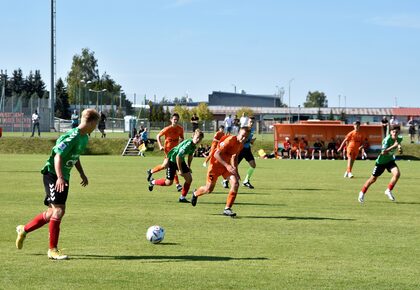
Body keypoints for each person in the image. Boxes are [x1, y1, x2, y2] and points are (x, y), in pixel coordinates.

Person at [15, 109, 100, 260]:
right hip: (53, 174)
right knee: (59, 210)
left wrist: (81, 173)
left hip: (62, 176)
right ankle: (52, 250)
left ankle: (24, 229)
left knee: (51, 213)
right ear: (92, 122)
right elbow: (58, 156)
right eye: (96, 124)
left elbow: (74, 156)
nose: (96, 127)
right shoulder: (71, 136)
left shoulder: (84, 137)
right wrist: (60, 177)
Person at [190, 126, 250, 217]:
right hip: (215, 166)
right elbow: (216, 154)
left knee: (235, 183)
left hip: (226, 167)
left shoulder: (240, 144)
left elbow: (235, 157)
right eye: (242, 135)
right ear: (238, 134)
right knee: (209, 189)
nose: (244, 138)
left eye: (246, 136)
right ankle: (195, 193)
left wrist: (235, 171)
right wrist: (228, 165)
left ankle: (227, 209)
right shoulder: (230, 140)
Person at [148, 129, 204, 203]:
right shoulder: (188, 144)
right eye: (197, 137)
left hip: (180, 160)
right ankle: (153, 182)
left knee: (189, 179)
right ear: (193, 136)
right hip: (172, 160)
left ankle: (182, 197)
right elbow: (178, 156)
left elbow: (190, 156)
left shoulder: (194, 146)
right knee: (169, 182)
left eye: (199, 139)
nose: (198, 140)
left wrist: (188, 167)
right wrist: (180, 170)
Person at [358, 126, 403, 203]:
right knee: (373, 179)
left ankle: (388, 190)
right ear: (390, 132)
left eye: (396, 132)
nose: (395, 133)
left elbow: (398, 144)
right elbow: (383, 152)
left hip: (390, 161)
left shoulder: (400, 138)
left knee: (397, 174)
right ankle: (362, 193)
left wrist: (400, 149)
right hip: (381, 162)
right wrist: (394, 146)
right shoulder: (386, 140)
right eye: (393, 131)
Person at [147, 113, 184, 192]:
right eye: (174, 119)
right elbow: (158, 136)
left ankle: (151, 171)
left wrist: (181, 145)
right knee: (171, 165)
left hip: (175, 151)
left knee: (165, 166)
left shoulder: (180, 129)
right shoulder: (167, 129)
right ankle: (177, 185)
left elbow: (182, 138)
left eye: (177, 119)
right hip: (168, 151)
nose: (176, 121)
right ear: (171, 120)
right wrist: (160, 146)